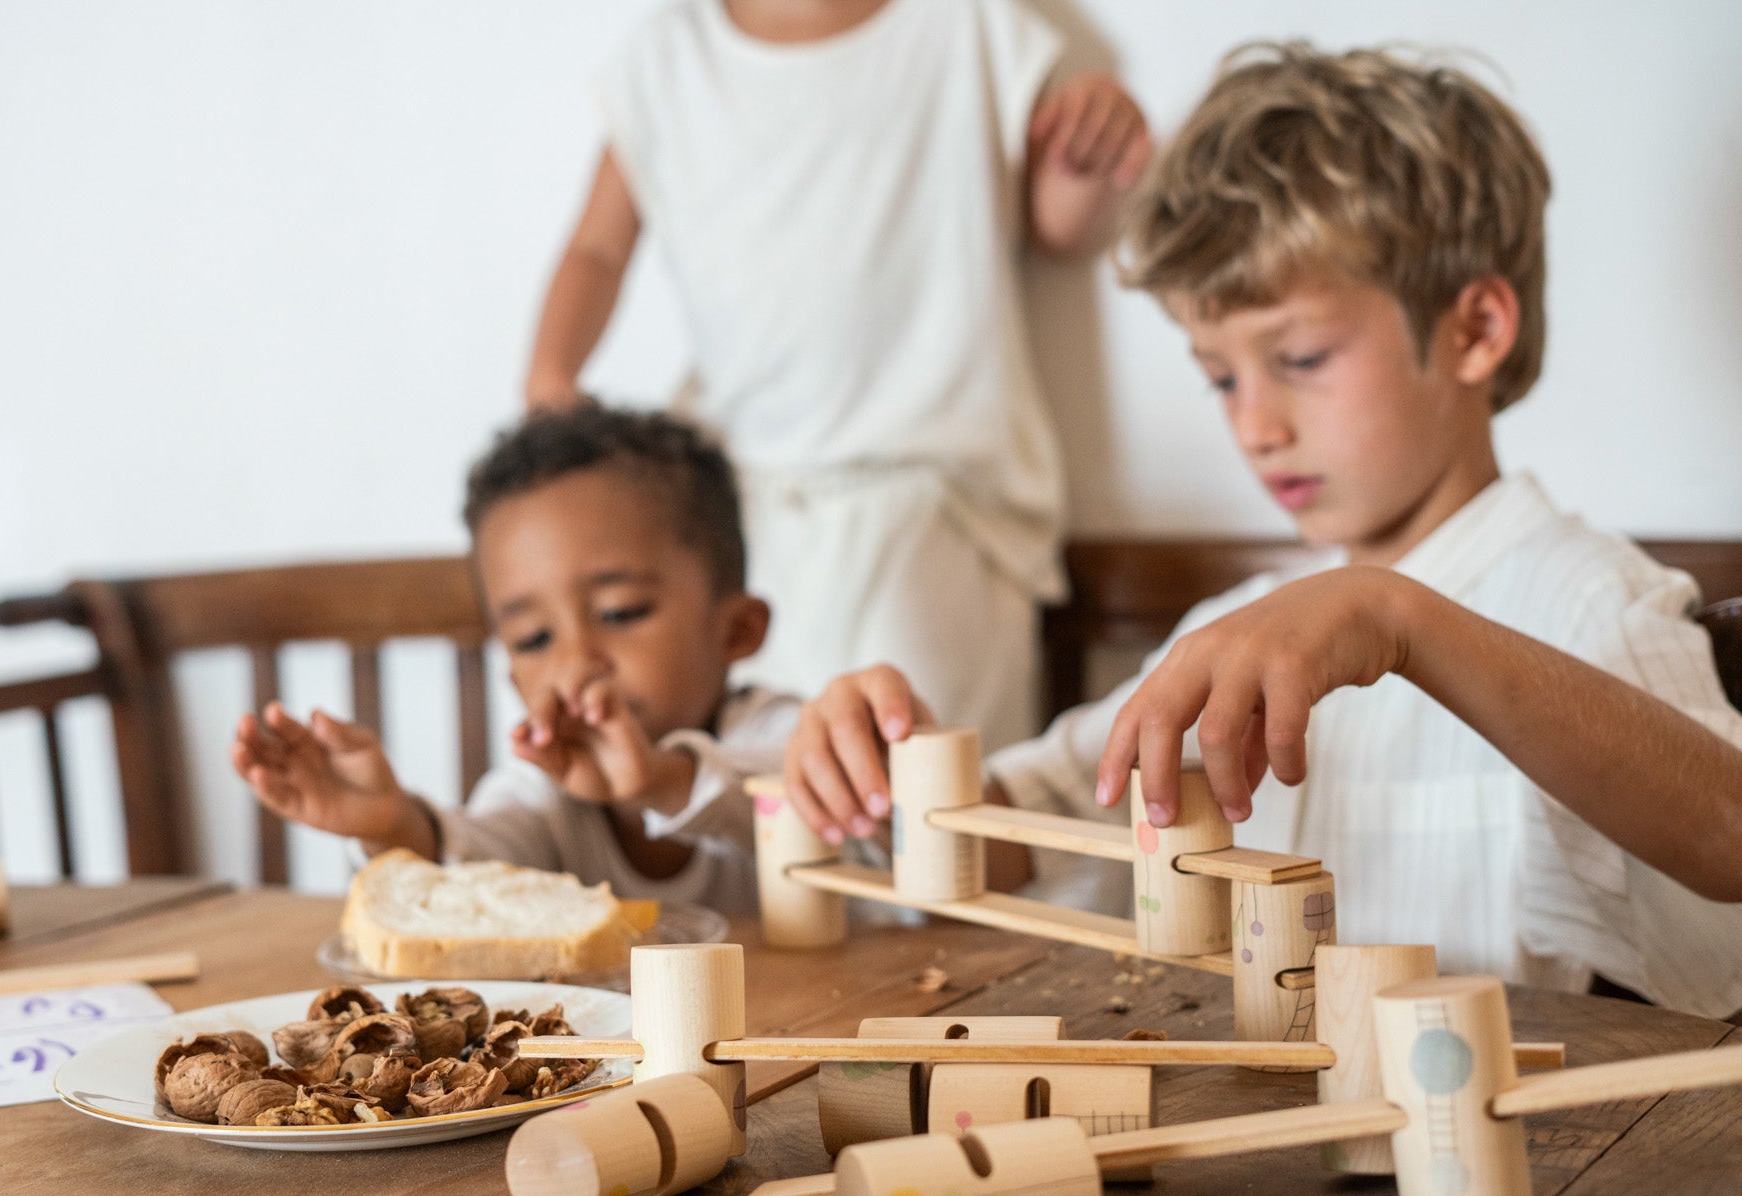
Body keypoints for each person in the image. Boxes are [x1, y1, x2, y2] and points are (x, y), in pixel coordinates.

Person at [779, 43, 1742, 1018]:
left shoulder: (1578, 596)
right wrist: (883, 773)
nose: (1253, 424)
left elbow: (1727, 831)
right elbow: (1040, 825)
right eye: (1220, 376)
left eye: (1300, 356)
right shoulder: (1235, 627)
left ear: (1474, 328)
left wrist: (1401, 618)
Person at [523, 0, 1150, 750]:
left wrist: (1087, 153)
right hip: (743, 513)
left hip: (934, 496)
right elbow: (596, 247)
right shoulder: (667, 54)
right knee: (758, 802)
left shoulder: (963, 23)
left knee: (932, 794)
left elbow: (1055, 230)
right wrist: (549, 376)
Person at [232, 404, 796, 913]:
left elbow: (815, 811)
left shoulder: (784, 739)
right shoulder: (540, 793)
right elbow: (471, 875)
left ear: (738, 629)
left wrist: (661, 780)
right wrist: (394, 827)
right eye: (533, 639)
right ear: (512, 675)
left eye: (620, 612)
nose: (577, 661)